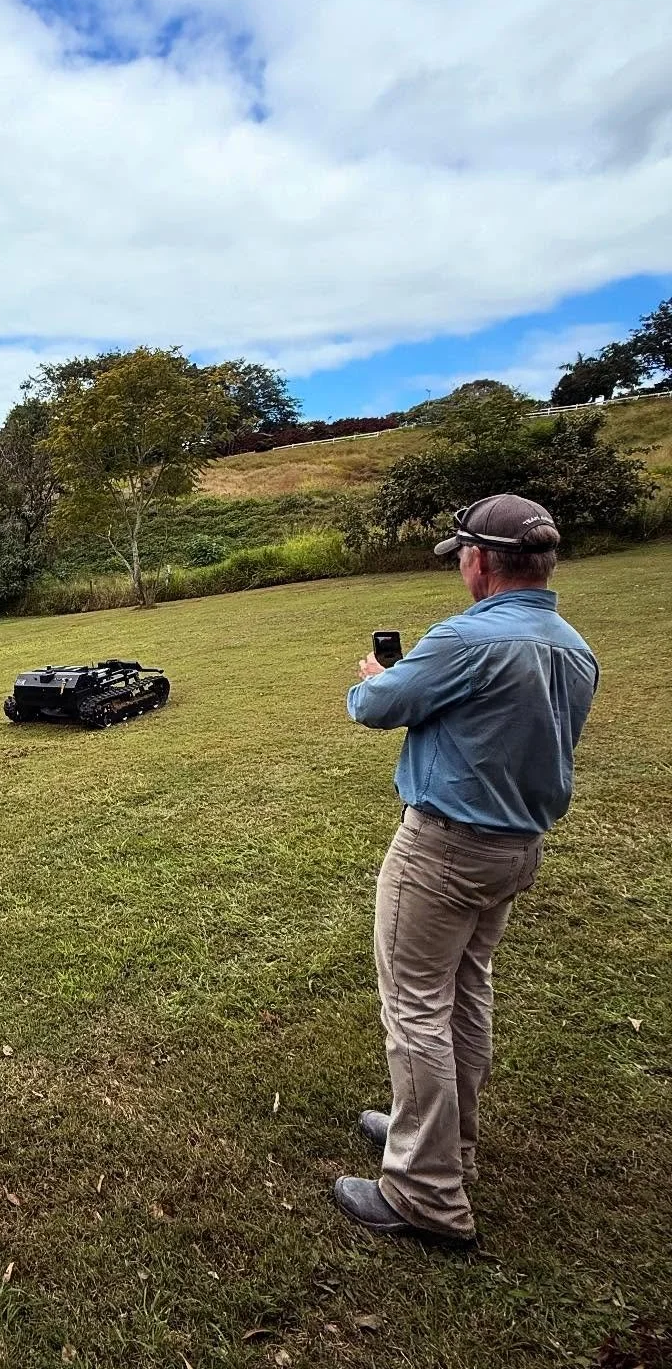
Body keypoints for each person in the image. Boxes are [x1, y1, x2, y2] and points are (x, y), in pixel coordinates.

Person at [335, 493, 600, 1247]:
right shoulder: (573, 645)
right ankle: (448, 1142)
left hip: (444, 849)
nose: (461, 571)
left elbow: (377, 706)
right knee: (465, 992)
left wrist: (372, 674)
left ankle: (424, 1194)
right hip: (515, 849)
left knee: (415, 1007)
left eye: (460, 559)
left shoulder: (468, 639)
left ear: (480, 561)